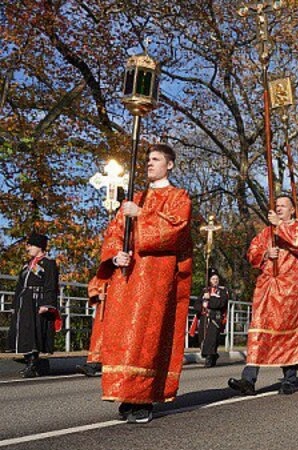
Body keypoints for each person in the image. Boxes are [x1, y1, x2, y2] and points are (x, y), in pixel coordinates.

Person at [94, 144, 193, 423]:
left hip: (156, 279)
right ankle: (125, 392)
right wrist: (116, 256)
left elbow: (175, 231)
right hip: (127, 278)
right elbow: (114, 232)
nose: (149, 164)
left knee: (147, 337)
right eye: (148, 159)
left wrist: (141, 216)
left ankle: (144, 396)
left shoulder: (178, 197)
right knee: (123, 335)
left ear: (169, 165)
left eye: (156, 159)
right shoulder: (135, 197)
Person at [228, 194, 298, 396]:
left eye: (283, 206)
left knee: (288, 333)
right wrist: (265, 254)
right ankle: (248, 379)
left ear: (292, 210)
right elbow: (252, 251)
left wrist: (280, 227)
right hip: (268, 289)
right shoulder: (267, 232)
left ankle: (289, 379)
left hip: (291, 292)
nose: (279, 209)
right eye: (277, 206)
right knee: (259, 331)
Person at [7, 233, 61, 378]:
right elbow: (19, 286)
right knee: (24, 330)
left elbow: (51, 285)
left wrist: (47, 304)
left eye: (30, 245)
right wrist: (15, 304)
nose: (28, 248)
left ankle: (33, 363)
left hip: (37, 301)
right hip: (24, 302)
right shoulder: (27, 265)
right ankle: (30, 361)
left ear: (39, 246)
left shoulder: (49, 264)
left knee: (33, 331)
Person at [192, 269, 230, 368]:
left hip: (215, 317)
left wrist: (210, 299)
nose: (215, 280)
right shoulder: (205, 291)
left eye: (216, 279)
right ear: (209, 280)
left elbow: (221, 304)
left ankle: (209, 358)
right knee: (202, 338)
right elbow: (196, 304)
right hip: (204, 317)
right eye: (213, 279)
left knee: (211, 338)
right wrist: (202, 307)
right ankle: (212, 355)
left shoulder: (222, 291)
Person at [76, 271, 111, 377]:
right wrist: (97, 296)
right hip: (102, 311)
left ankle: (98, 364)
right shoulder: (102, 275)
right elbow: (93, 286)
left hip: (116, 312)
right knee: (98, 338)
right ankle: (92, 364)